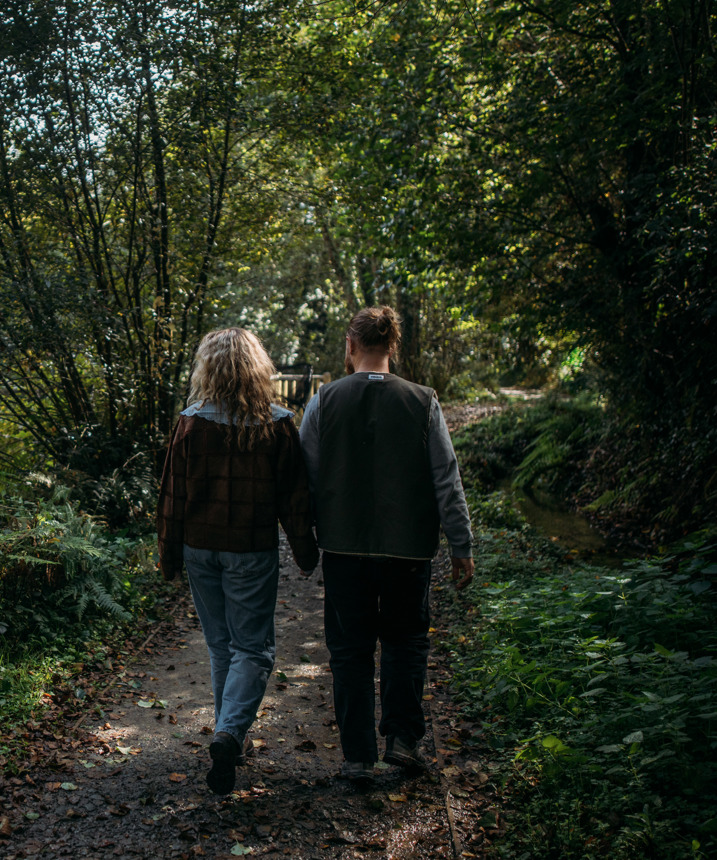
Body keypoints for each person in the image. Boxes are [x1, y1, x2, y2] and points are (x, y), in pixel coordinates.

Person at [299, 305, 474, 784]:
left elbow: (306, 478)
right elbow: (446, 478)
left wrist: (307, 540)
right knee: (405, 642)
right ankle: (401, 740)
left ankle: (357, 756)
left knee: (350, 650)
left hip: (344, 549)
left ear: (350, 346)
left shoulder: (324, 401)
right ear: (392, 347)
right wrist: (461, 544)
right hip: (409, 550)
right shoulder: (422, 402)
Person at [157, 327, 318, 795]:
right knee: (254, 649)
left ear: (207, 369)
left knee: (221, 646)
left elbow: (172, 497)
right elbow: (295, 497)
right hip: (250, 551)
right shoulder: (276, 425)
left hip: (200, 550)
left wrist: (168, 557)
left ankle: (231, 735)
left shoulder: (189, 423)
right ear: (256, 369)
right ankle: (229, 732)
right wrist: (306, 552)